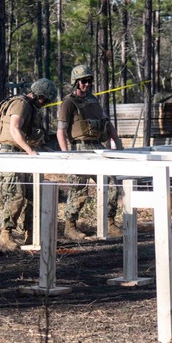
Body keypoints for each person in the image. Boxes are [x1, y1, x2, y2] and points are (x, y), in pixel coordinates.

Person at [57, 64, 123, 240]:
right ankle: (70, 226)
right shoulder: (68, 103)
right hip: (79, 149)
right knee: (78, 189)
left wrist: (117, 142)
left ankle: (109, 223)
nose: (87, 85)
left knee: (112, 184)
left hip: (98, 148)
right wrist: (66, 155)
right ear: (76, 83)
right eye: (84, 81)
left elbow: (107, 124)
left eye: (89, 81)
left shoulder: (93, 100)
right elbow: (61, 131)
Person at [0, 78, 57, 248]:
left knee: (32, 194)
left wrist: (43, 149)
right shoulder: (21, 104)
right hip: (10, 154)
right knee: (16, 195)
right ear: (41, 97)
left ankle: (31, 232)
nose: (44, 104)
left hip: (23, 154)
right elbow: (14, 128)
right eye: (45, 101)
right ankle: (5, 234)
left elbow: (32, 134)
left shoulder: (32, 108)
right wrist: (30, 151)